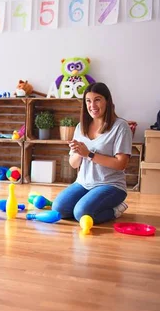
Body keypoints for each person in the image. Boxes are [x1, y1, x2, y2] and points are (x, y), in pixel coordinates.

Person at [52, 82, 132, 224]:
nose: (92, 105)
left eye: (97, 100)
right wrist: (78, 152)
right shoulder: (80, 127)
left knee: (81, 213)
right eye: (88, 101)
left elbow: (121, 164)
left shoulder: (120, 126)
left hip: (111, 185)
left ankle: (116, 209)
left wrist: (89, 154)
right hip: (84, 183)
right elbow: (73, 163)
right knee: (59, 209)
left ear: (107, 101)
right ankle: (91, 202)